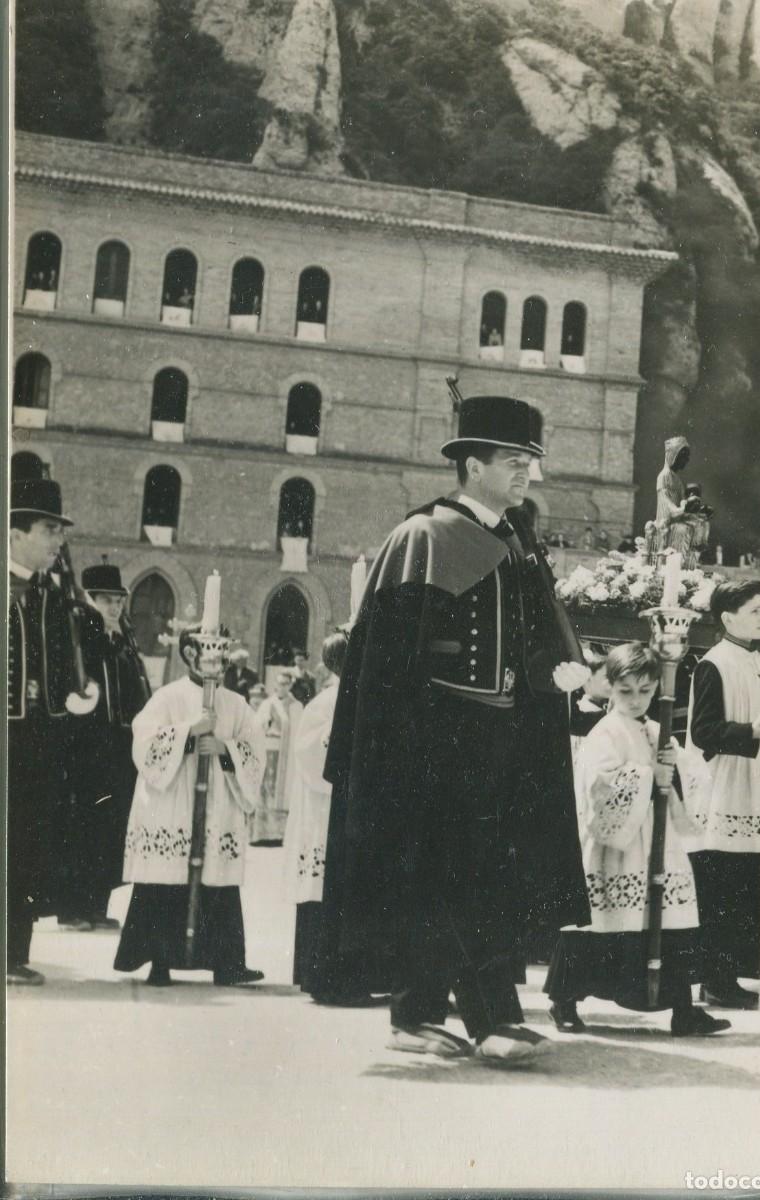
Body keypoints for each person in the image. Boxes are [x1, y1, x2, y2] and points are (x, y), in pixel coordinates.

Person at [320, 394, 592, 1064]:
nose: (525, 472)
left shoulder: (514, 540)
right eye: (510, 460)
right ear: (470, 465)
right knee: (434, 884)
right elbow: (387, 662)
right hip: (435, 748)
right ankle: (413, 1016)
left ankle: (492, 1017)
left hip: (502, 743)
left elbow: (529, 641)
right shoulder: (425, 536)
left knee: (490, 883)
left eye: (529, 459)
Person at [544, 643, 731, 1037]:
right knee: (602, 924)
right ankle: (564, 1000)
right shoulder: (605, 731)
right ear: (610, 686)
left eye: (645, 690)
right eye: (626, 690)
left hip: (659, 845)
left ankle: (683, 1009)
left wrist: (674, 774)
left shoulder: (656, 728)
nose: (635, 699)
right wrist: (648, 780)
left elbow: (688, 775)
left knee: (669, 922)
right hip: (619, 847)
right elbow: (599, 785)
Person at [113, 625, 266, 987]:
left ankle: (226, 964)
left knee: (217, 881)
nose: (217, 660)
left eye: (221, 653)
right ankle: (160, 961)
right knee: (166, 880)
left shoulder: (236, 703)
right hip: (172, 802)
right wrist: (188, 732)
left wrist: (226, 750)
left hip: (217, 802)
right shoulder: (167, 697)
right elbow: (145, 744)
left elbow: (255, 750)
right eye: (208, 652)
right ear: (189, 655)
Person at [7, 478, 100, 985]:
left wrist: (72, 694)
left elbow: (61, 664)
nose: (56, 541)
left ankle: (12, 952)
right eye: (48, 530)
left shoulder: (51, 594)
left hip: (37, 745)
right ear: (16, 532)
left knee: (25, 845)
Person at [686, 580, 760, 1009]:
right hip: (729, 788)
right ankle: (716, 979)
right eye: (753, 611)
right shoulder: (713, 664)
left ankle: (743, 972)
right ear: (728, 618)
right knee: (725, 885)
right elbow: (702, 732)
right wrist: (749, 731)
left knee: (753, 883)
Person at [282, 629, 385, 998]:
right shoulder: (323, 705)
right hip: (326, 810)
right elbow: (311, 757)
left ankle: (360, 979)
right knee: (326, 893)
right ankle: (324, 981)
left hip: (356, 810)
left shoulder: (369, 699)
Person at [60, 561, 151, 931]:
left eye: (118, 601)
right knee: (83, 826)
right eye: (107, 601)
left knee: (110, 829)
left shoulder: (124, 643)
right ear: (91, 601)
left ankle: (97, 903)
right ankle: (71, 907)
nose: (114, 608)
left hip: (120, 751)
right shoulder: (84, 640)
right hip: (89, 750)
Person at [253, 670, 302, 844]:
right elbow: (257, 726)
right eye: (279, 684)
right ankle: (262, 834)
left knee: (284, 791)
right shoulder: (268, 704)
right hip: (269, 751)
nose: (281, 687)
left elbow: (299, 732)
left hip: (287, 758)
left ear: (290, 685)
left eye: (285, 684)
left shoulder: (296, 706)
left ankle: (280, 834)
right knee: (266, 789)